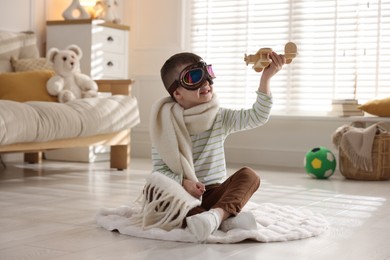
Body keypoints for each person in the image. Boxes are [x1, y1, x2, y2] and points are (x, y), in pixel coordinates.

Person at [149, 51, 286, 242]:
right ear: (177, 93)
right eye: (194, 77)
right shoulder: (164, 125)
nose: (205, 82)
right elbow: (159, 172)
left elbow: (258, 116)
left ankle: (215, 216)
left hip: (213, 192)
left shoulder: (220, 117)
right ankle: (224, 219)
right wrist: (183, 183)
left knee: (249, 176)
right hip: (181, 193)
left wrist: (266, 78)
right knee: (156, 195)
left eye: (207, 73)